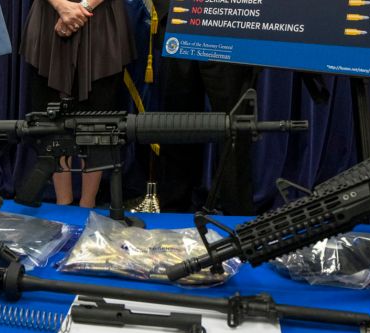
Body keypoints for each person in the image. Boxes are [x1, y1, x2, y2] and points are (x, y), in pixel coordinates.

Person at [20, 0, 134, 208]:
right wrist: (61, 6)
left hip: (103, 22)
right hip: (49, 19)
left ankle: (88, 204)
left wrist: (83, 7)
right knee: (51, 120)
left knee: (99, 122)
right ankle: (62, 204)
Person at [151, 0, 259, 215]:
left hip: (231, 26)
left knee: (235, 126)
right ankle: (173, 213)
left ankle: (237, 216)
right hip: (179, 22)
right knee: (176, 123)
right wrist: (167, 12)